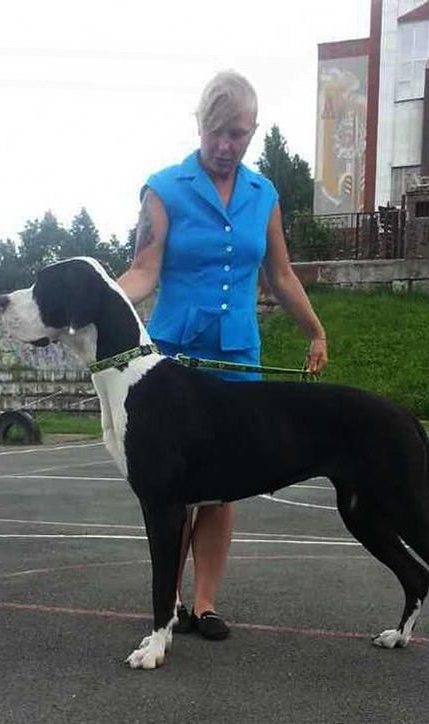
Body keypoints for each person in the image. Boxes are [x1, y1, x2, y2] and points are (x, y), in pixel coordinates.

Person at [118, 70, 328, 640]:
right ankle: (169, 604)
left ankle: (204, 604)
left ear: (253, 130)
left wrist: (315, 331)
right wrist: (103, 303)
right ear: (200, 126)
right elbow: (143, 270)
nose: (225, 145)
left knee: (223, 487)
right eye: (216, 132)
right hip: (174, 360)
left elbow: (281, 275)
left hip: (237, 358)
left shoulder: (264, 195)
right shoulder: (164, 189)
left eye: (237, 134)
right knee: (172, 488)